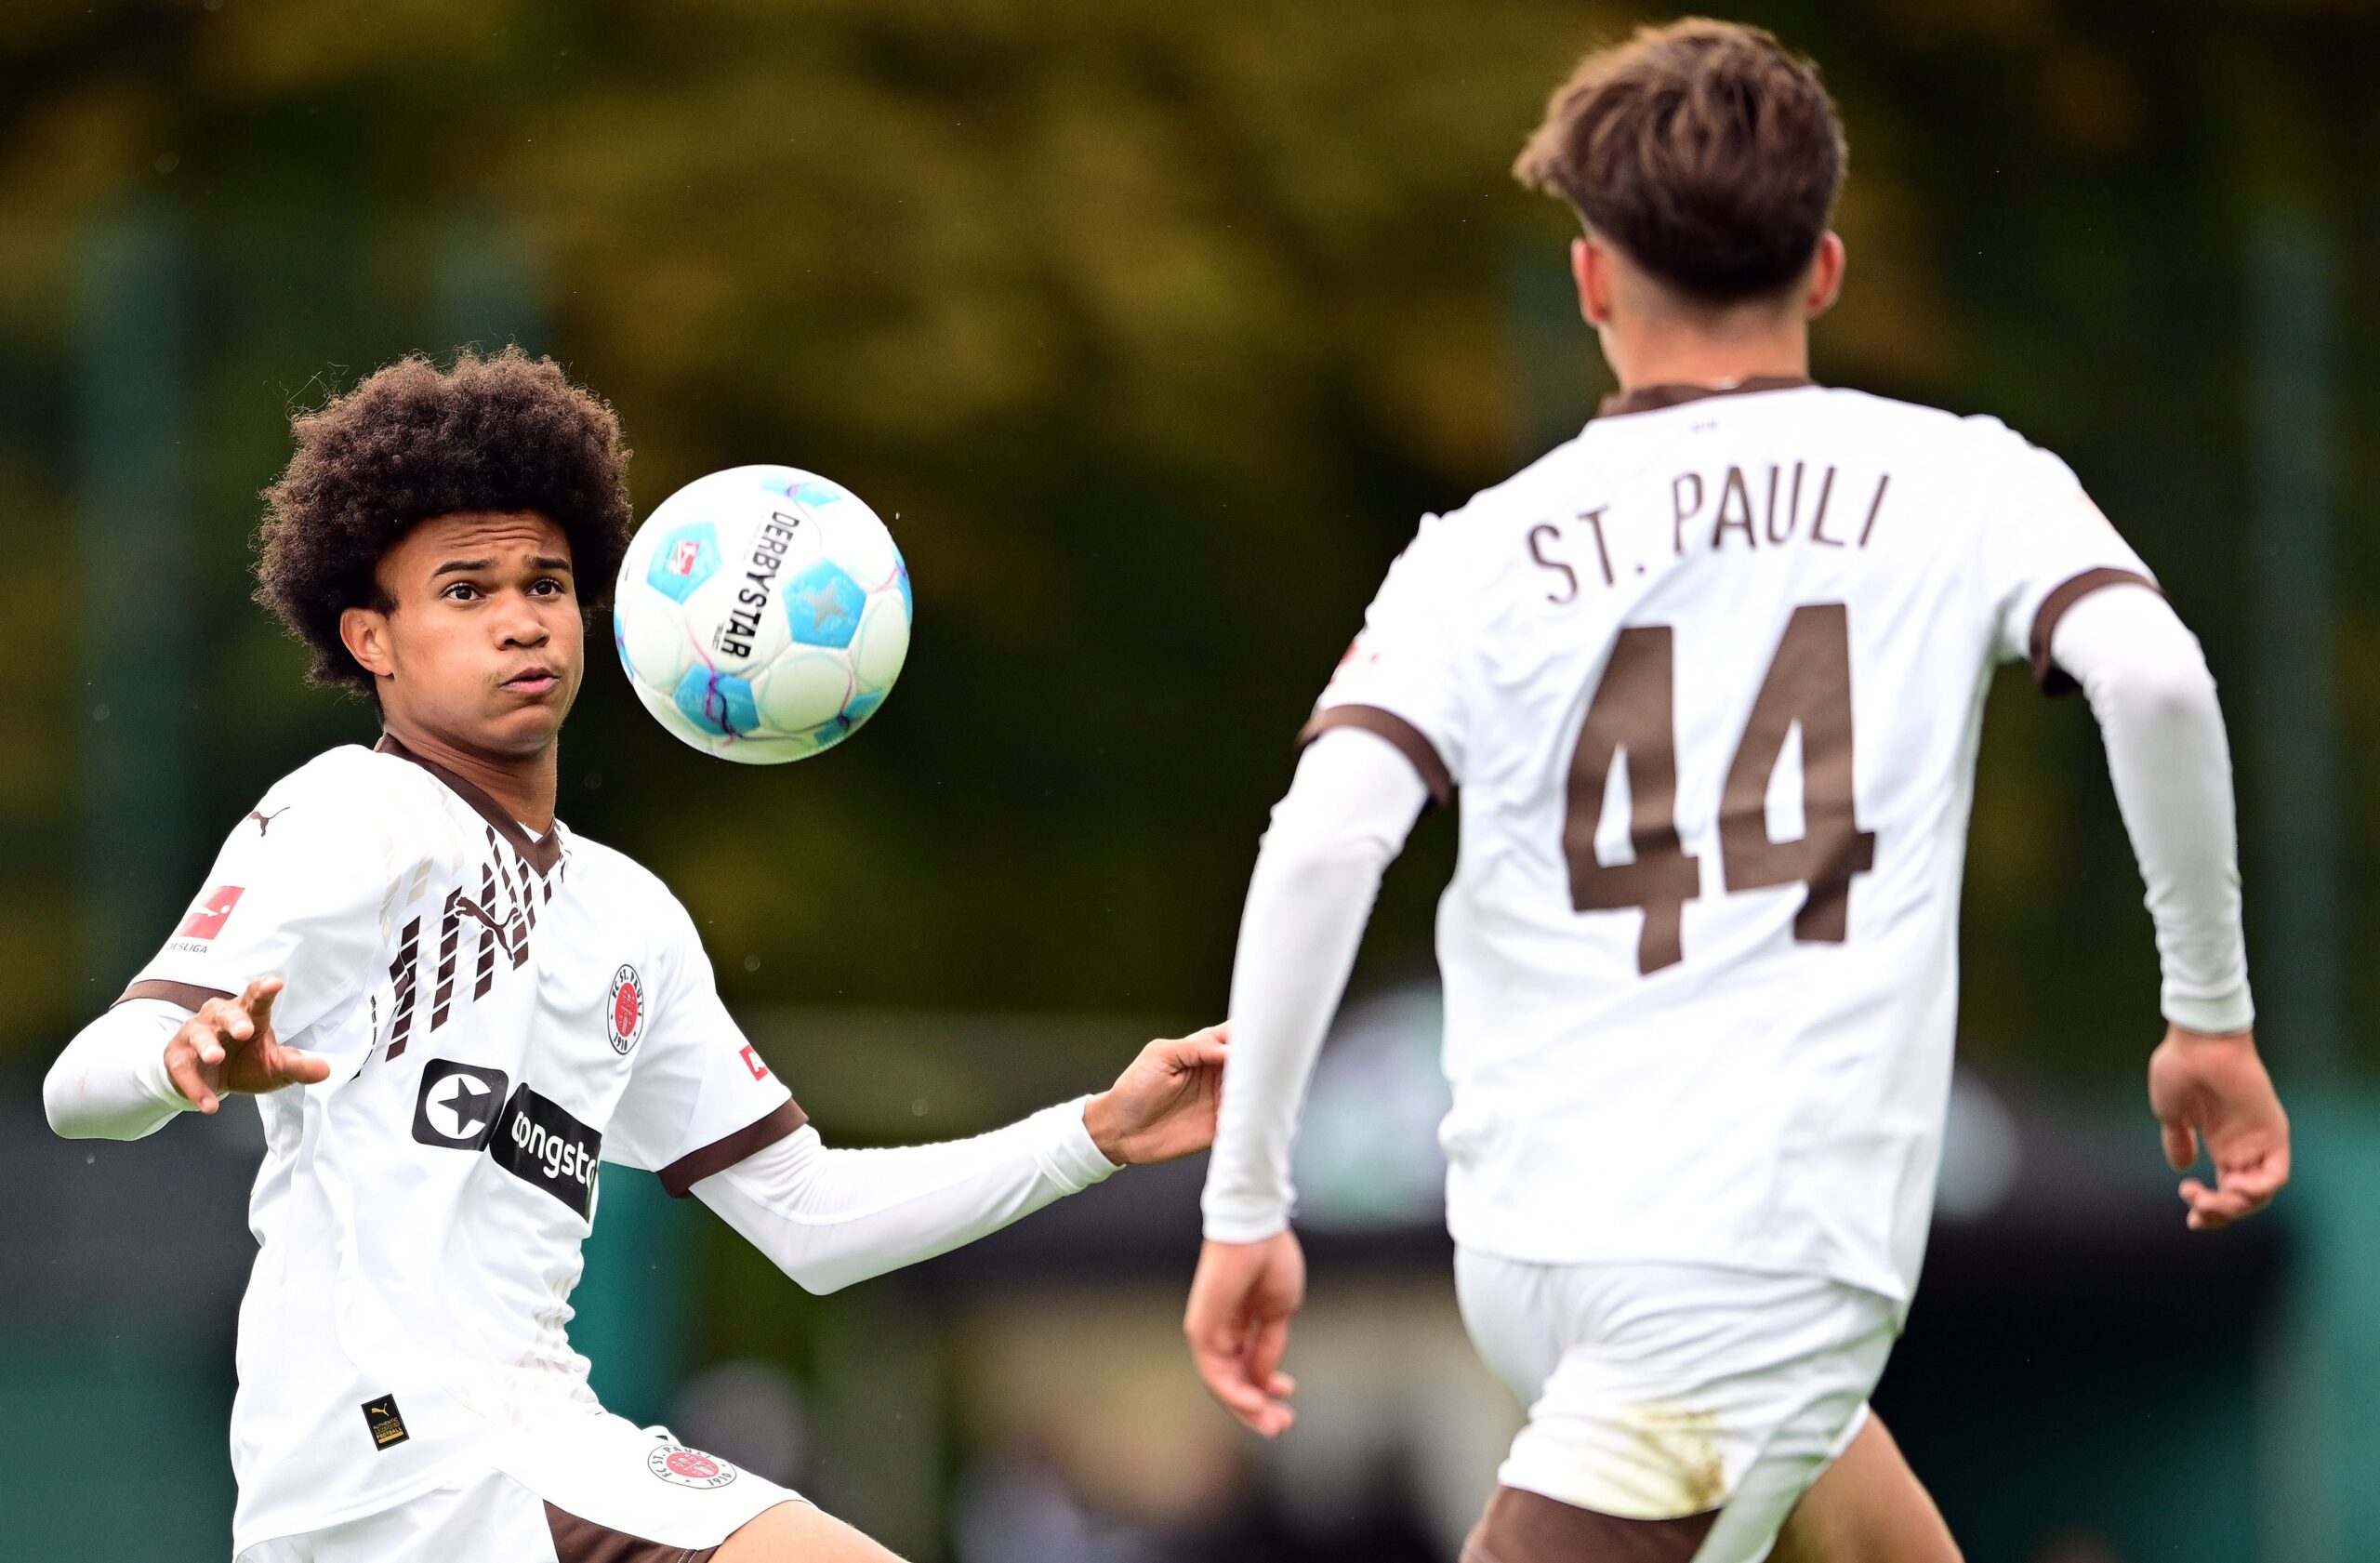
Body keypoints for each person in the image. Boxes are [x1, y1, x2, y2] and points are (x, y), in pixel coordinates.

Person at [1180, 20, 2288, 1563]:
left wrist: (1248, 1203)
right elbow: (2160, 680)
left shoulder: (1477, 547)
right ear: (1824, 270)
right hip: (1759, 1248)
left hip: (1537, 1250)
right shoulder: (1968, 478)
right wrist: (2209, 1014)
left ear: (1590, 284)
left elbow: (1325, 839)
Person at [44, 348, 1228, 1563]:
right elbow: (80, 1082)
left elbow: (807, 1217)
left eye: (546, 582)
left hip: (516, 1445)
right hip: (405, 1456)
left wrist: (1097, 1134)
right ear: (371, 637)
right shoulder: (354, 813)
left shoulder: (631, 919)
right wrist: (182, 1057)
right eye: (465, 590)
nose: (521, 618)